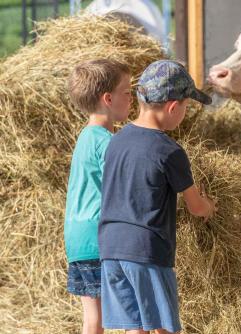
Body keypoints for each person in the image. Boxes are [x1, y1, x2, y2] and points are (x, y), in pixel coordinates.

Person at [98, 60, 217, 334]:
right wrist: (211, 206)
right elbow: (196, 207)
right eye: (186, 107)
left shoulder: (116, 140)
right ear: (173, 107)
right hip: (146, 250)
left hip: (111, 247)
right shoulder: (169, 151)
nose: (184, 113)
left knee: (135, 327)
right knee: (163, 326)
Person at [64, 59, 132, 334]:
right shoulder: (109, 142)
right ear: (108, 99)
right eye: (127, 92)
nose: (131, 98)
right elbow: (125, 186)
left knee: (93, 320)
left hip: (78, 240)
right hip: (101, 239)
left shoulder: (85, 137)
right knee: (131, 314)